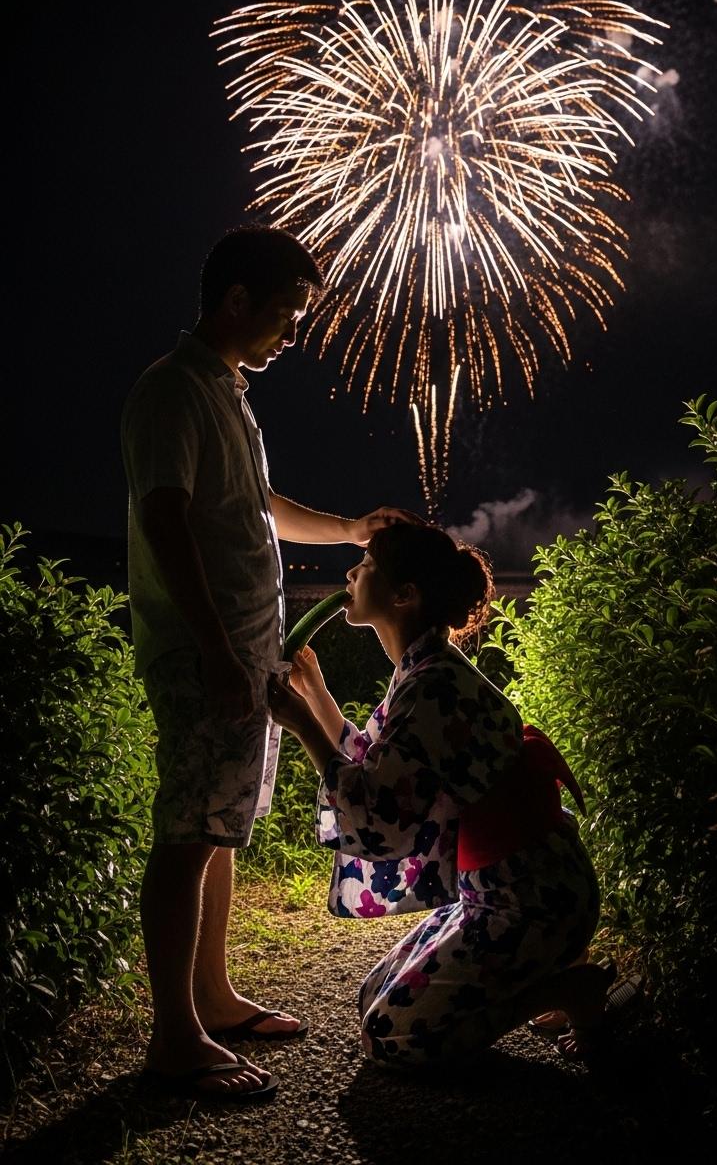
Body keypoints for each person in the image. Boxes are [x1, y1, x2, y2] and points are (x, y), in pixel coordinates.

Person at [121, 226, 415, 1102]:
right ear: (237, 299)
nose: (294, 331)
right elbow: (166, 518)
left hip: (243, 652)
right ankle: (175, 1038)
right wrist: (214, 648)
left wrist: (350, 530)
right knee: (187, 832)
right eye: (286, 311)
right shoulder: (172, 391)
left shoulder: (226, 393)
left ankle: (211, 998)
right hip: (203, 653)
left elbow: (260, 508)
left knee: (219, 826)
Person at [269, 521, 616, 1069]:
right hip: (502, 891)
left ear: (404, 595)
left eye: (367, 566)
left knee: (392, 1038)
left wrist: (302, 725)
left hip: (529, 901)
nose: (351, 574)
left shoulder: (431, 685)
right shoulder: (425, 671)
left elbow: (377, 808)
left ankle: (565, 989)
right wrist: (314, 691)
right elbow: (372, 760)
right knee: (373, 998)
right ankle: (553, 971)